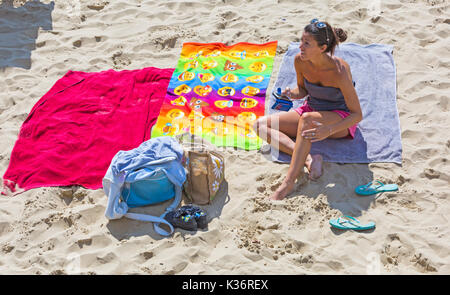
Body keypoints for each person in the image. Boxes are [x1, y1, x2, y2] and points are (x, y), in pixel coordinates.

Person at [254, 19, 363, 200]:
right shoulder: (300, 61)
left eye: (306, 43)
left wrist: (329, 129)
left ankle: (288, 183)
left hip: (339, 119)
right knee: (260, 125)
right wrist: (294, 93)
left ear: (322, 48)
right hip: (311, 110)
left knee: (307, 119)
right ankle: (308, 159)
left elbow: (357, 114)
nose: (300, 47)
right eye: (301, 41)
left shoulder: (340, 70)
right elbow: (302, 89)